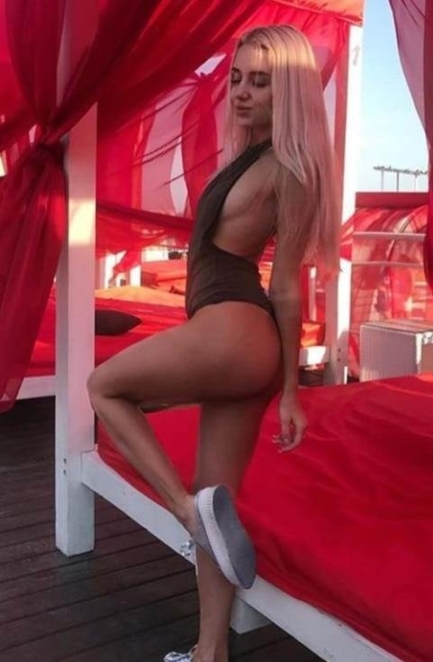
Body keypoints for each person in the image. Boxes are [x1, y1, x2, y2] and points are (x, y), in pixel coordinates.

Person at [87, 24, 340, 662]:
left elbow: (287, 286)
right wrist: (281, 383)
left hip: (236, 326)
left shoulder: (290, 168)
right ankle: (209, 651)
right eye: (237, 78)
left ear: (290, 94)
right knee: (215, 492)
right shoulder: (253, 159)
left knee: (104, 387)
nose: (242, 92)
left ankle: (183, 510)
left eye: (262, 82)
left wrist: (293, 389)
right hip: (237, 340)